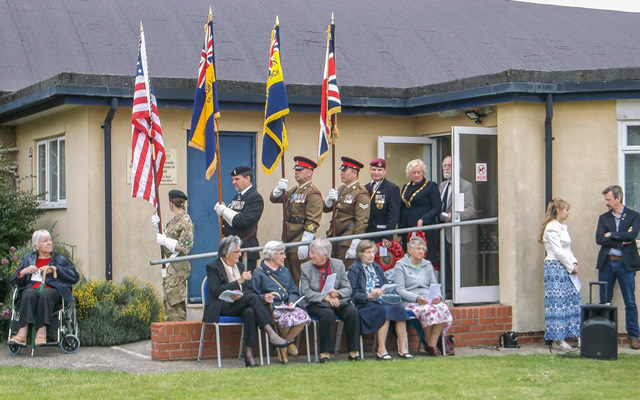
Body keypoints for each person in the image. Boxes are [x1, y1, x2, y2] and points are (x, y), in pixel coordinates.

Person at [203, 236, 293, 367]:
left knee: (250, 311)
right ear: (226, 253)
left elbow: (249, 290)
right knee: (251, 299)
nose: (240, 254)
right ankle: (271, 334)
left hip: (240, 303)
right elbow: (216, 291)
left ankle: (249, 355)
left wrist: (244, 294)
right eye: (237, 252)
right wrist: (238, 282)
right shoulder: (213, 267)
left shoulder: (239, 266)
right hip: (221, 306)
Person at [9, 229, 79, 346]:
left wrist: (56, 269)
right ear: (36, 246)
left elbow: (74, 277)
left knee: (45, 293)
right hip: (31, 291)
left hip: (53, 292)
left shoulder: (60, 259)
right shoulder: (28, 259)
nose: (49, 243)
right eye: (45, 241)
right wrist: (24, 271)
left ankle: (41, 333)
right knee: (28, 293)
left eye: (50, 240)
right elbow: (14, 280)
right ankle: (22, 333)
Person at [347, 240, 413, 360]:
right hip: (364, 303)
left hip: (380, 300)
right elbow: (352, 293)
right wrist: (369, 296)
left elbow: (385, 284)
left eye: (373, 252)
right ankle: (381, 350)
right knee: (384, 311)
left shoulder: (377, 267)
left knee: (399, 309)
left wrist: (383, 290)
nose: (371, 255)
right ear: (360, 254)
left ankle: (403, 349)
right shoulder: (354, 269)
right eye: (368, 252)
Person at [300, 238, 361, 362]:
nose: (310, 255)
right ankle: (325, 354)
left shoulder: (338, 264)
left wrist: (337, 293)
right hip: (316, 303)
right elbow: (306, 292)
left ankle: (353, 352)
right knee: (327, 314)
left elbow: (347, 288)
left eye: (313, 253)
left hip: (337, 301)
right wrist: (325, 297)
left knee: (353, 312)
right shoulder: (305, 267)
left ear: (324, 256)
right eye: (310, 252)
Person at [595, 185, 640, 349]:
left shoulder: (634, 216)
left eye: (608, 199)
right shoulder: (604, 218)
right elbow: (599, 239)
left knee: (630, 301)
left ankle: (634, 336)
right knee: (604, 301)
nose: (606, 202)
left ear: (617, 199)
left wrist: (611, 235)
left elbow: (632, 235)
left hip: (625, 264)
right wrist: (622, 239)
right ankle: (604, 335)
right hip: (607, 263)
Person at [252, 240, 311, 364]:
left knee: (303, 316)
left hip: (288, 306)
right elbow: (254, 295)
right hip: (272, 308)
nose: (284, 257)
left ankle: (284, 343)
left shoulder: (285, 271)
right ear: (271, 255)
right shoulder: (258, 273)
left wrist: (292, 301)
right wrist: (265, 297)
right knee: (285, 319)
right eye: (281, 253)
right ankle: (285, 345)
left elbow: (293, 291)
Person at [394, 236, 452, 356]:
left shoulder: (427, 265)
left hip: (428, 298)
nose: (421, 251)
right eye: (418, 249)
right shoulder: (400, 265)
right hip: (411, 300)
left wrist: (438, 298)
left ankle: (431, 343)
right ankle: (429, 343)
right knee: (427, 310)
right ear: (409, 250)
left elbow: (434, 284)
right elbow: (399, 289)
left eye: (423, 249)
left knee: (442, 308)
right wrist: (416, 298)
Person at [269, 156, 323, 284]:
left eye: (300, 169)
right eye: (296, 169)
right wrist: (278, 189)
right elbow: (275, 199)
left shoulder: (312, 192)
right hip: (288, 238)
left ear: (310, 172)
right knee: (289, 274)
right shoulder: (294, 190)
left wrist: (305, 241)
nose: (296, 172)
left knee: (300, 275)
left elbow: (313, 219)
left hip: (299, 239)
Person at [540, 198, 581, 350]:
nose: (568, 213)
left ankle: (575, 334)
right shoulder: (551, 228)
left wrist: (574, 262)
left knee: (572, 298)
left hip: (565, 266)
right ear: (558, 211)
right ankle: (558, 338)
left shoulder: (562, 227)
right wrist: (570, 266)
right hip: (554, 267)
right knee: (557, 301)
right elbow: (557, 251)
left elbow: (567, 249)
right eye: (566, 210)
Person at [152, 189, 194, 321]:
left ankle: (179, 339)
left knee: (176, 307)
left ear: (171, 204)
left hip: (178, 269)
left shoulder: (185, 221)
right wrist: (157, 228)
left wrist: (165, 240)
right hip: (170, 267)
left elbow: (185, 245)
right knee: (169, 305)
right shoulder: (173, 221)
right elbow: (167, 243)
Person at [215, 166, 264, 271]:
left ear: (247, 179)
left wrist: (225, 211)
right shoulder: (237, 198)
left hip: (244, 249)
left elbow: (243, 221)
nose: (233, 182)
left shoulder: (255, 198)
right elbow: (229, 222)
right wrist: (223, 213)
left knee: (245, 284)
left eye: (237, 179)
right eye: (233, 179)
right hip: (232, 248)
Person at [439, 156, 475, 299]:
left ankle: (461, 296)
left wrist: (453, 216)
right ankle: (448, 293)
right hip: (444, 234)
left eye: (449, 165)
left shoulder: (466, 185)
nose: (447, 168)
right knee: (446, 266)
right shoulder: (442, 185)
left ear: (457, 168)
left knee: (459, 268)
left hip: (459, 234)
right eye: (445, 166)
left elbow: (470, 209)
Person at [323, 157, 370, 267]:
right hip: (334, 236)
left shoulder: (360, 193)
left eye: (344, 170)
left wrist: (355, 242)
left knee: (345, 272)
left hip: (347, 240)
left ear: (354, 173)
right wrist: (329, 199)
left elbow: (361, 220)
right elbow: (325, 209)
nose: (341, 173)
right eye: (341, 170)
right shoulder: (341, 189)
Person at [399, 159, 441, 263]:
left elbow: (437, 207)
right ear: (409, 173)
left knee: (423, 259)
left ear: (423, 172)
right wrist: (400, 231)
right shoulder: (406, 187)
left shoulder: (431, 186)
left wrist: (423, 219)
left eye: (419, 172)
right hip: (407, 228)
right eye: (414, 173)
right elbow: (402, 208)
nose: (416, 175)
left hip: (424, 228)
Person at [364, 158, 401, 247]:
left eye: (379, 170)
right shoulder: (366, 187)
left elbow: (393, 215)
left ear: (385, 171)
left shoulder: (392, 188)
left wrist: (387, 235)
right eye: (373, 169)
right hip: (366, 233)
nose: (376, 172)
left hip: (381, 235)